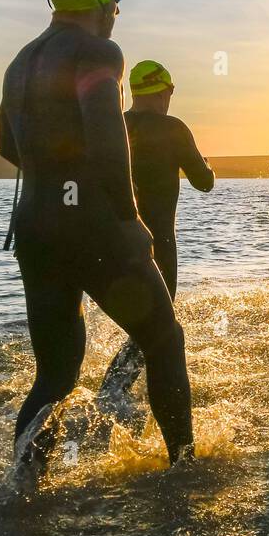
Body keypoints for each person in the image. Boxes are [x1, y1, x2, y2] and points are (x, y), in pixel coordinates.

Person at [0, 0, 194, 479]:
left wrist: (54, 171)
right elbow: (108, 135)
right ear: (102, 0)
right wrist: (128, 216)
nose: (115, 15)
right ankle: (184, 467)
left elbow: (5, 144)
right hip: (94, 223)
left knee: (56, 374)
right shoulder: (98, 50)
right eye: (116, 4)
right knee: (163, 338)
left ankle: (24, 488)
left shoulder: (20, 62)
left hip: (34, 226)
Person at [98, 60, 214, 395]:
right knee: (160, 329)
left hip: (109, 245)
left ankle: (117, 393)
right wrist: (208, 165)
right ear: (162, 89)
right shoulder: (173, 128)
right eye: (171, 90)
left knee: (142, 324)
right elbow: (203, 182)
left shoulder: (114, 125)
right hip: (156, 245)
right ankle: (114, 395)